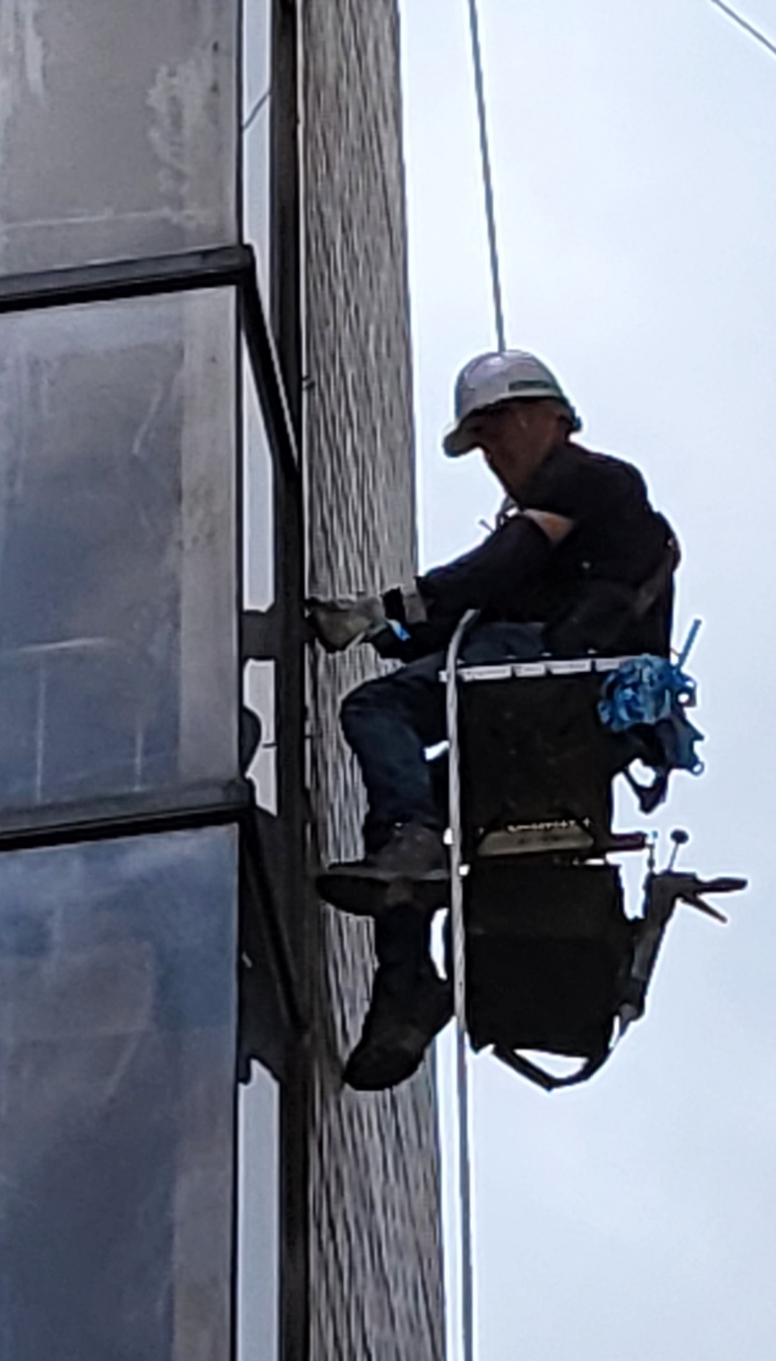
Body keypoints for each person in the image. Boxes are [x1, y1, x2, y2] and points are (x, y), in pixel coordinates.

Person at [308, 350, 678, 1091]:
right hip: (545, 721)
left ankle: (414, 861)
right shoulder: (559, 531)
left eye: (499, 426)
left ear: (550, 416)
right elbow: (478, 608)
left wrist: (388, 608)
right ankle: (406, 987)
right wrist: (389, 629)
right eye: (479, 438)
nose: (493, 450)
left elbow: (499, 568)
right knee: (403, 812)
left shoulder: (590, 479)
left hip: (558, 686)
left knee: (376, 709)